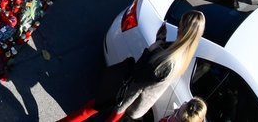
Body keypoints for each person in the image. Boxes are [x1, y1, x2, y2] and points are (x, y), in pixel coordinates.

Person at [59, 10, 206, 121]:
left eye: (180, 24)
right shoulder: (183, 55)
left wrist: (151, 50)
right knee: (91, 108)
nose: (178, 27)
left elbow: (138, 74)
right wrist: (161, 40)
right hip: (130, 100)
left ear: (183, 29)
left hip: (126, 96)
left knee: (89, 108)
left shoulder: (169, 62)